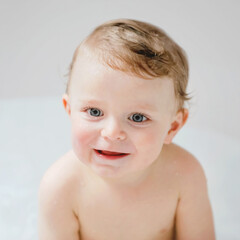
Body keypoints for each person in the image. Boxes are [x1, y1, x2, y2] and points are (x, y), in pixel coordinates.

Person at [38, 18, 215, 240]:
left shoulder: (184, 174)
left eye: (137, 117)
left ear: (173, 127)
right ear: (69, 109)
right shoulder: (61, 187)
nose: (111, 132)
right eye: (94, 112)